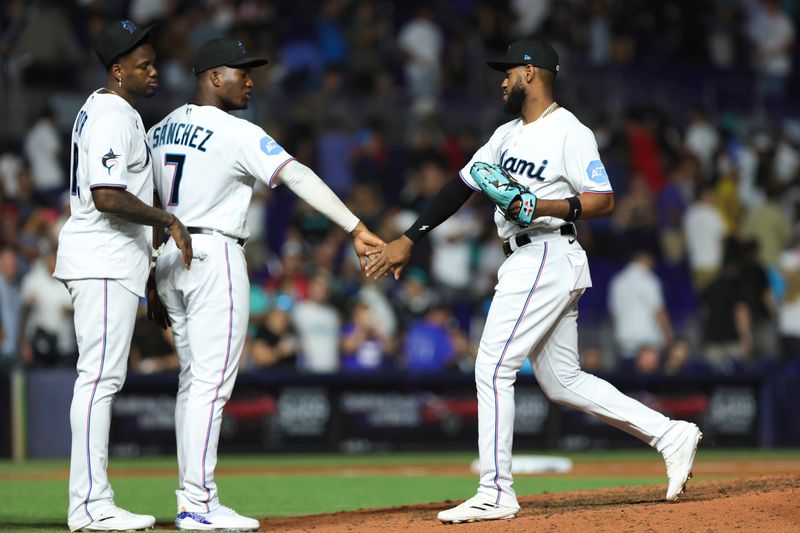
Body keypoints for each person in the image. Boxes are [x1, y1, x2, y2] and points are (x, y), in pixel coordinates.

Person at [366, 39, 702, 523]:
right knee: (562, 381)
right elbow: (462, 185)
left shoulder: (570, 131)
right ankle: (670, 434)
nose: (500, 80)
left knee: (492, 366)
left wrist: (542, 206)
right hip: (529, 257)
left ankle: (496, 491)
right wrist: (410, 238)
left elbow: (603, 200)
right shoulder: (504, 136)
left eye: (507, 71)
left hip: (545, 250)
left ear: (530, 72)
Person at [148, 37, 384, 531]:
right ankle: (198, 502)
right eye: (241, 71)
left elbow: (145, 205)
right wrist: (355, 227)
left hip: (169, 256)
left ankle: (191, 497)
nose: (250, 79)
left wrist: (151, 270)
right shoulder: (237, 132)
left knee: (193, 386)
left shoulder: (159, 129)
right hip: (213, 254)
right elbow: (296, 176)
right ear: (214, 76)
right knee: (210, 387)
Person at [53, 20, 193, 533]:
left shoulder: (107, 109)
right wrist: (169, 220)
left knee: (99, 379)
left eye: (154, 62)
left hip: (111, 261)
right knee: (98, 380)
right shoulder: (112, 113)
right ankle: (89, 506)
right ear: (117, 70)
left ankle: (93, 500)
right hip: (102, 259)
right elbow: (107, 195)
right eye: (143, 65)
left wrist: (152, 276)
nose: (154, 71)